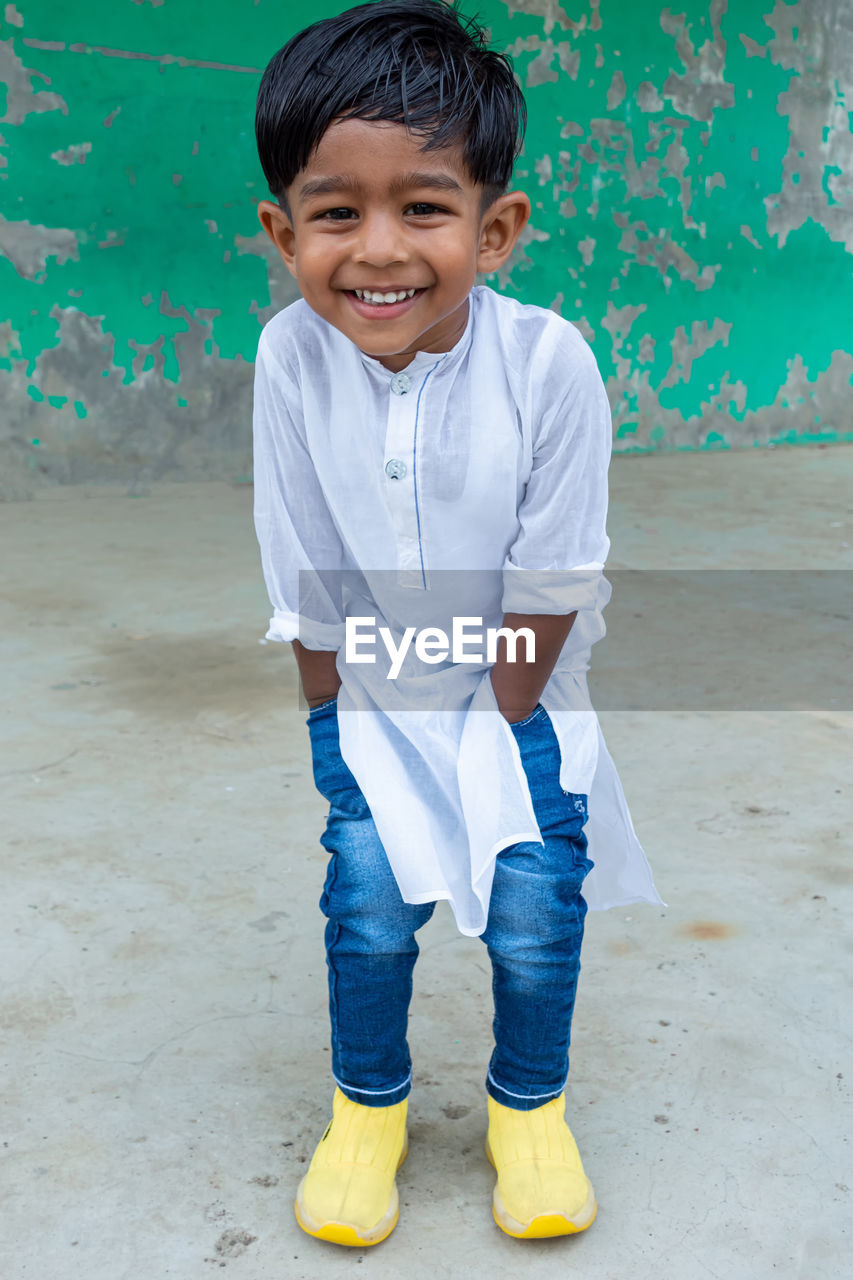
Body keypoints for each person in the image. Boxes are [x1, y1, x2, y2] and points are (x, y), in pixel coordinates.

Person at [252, 0, 663, 1248]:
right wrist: (333, 720)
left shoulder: (549, 365)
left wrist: (502, 726)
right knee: (367, 903)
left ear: (495, 229)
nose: (379, 251)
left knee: (537, 906)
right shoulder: (288, 358)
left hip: (519, 695)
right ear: (284, 233)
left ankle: (525, 1108)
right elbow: (304, 561)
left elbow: (553, 573)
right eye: (336, 212)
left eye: (423, 208)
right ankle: (366, 1108)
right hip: (368, 694)